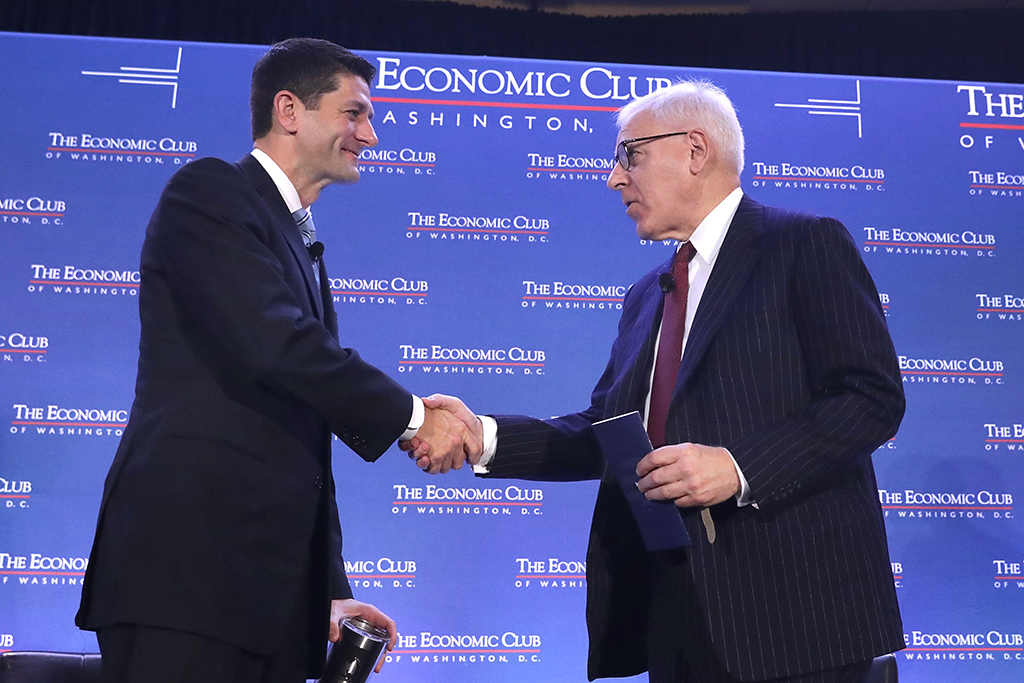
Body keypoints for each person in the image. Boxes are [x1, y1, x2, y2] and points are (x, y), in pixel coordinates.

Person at [417, 80, 905, 682]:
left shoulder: (802, 243)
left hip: (795, 620)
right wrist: (482, 437)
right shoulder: (648, 293)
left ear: (695, 151)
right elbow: (613, 435)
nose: (613, 178)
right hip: (673, 615)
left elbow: (870, 396)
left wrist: (738, 466)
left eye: (630, 155)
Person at [76, 38, 478, 683]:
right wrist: (412, 418)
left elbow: (301, 437)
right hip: (188, 578)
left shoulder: (301, 240)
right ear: (289, 110)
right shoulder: (210, 192)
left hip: (270, 599)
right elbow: (276, 344)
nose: (369, 136)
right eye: (355, 114)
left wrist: (329, 590)